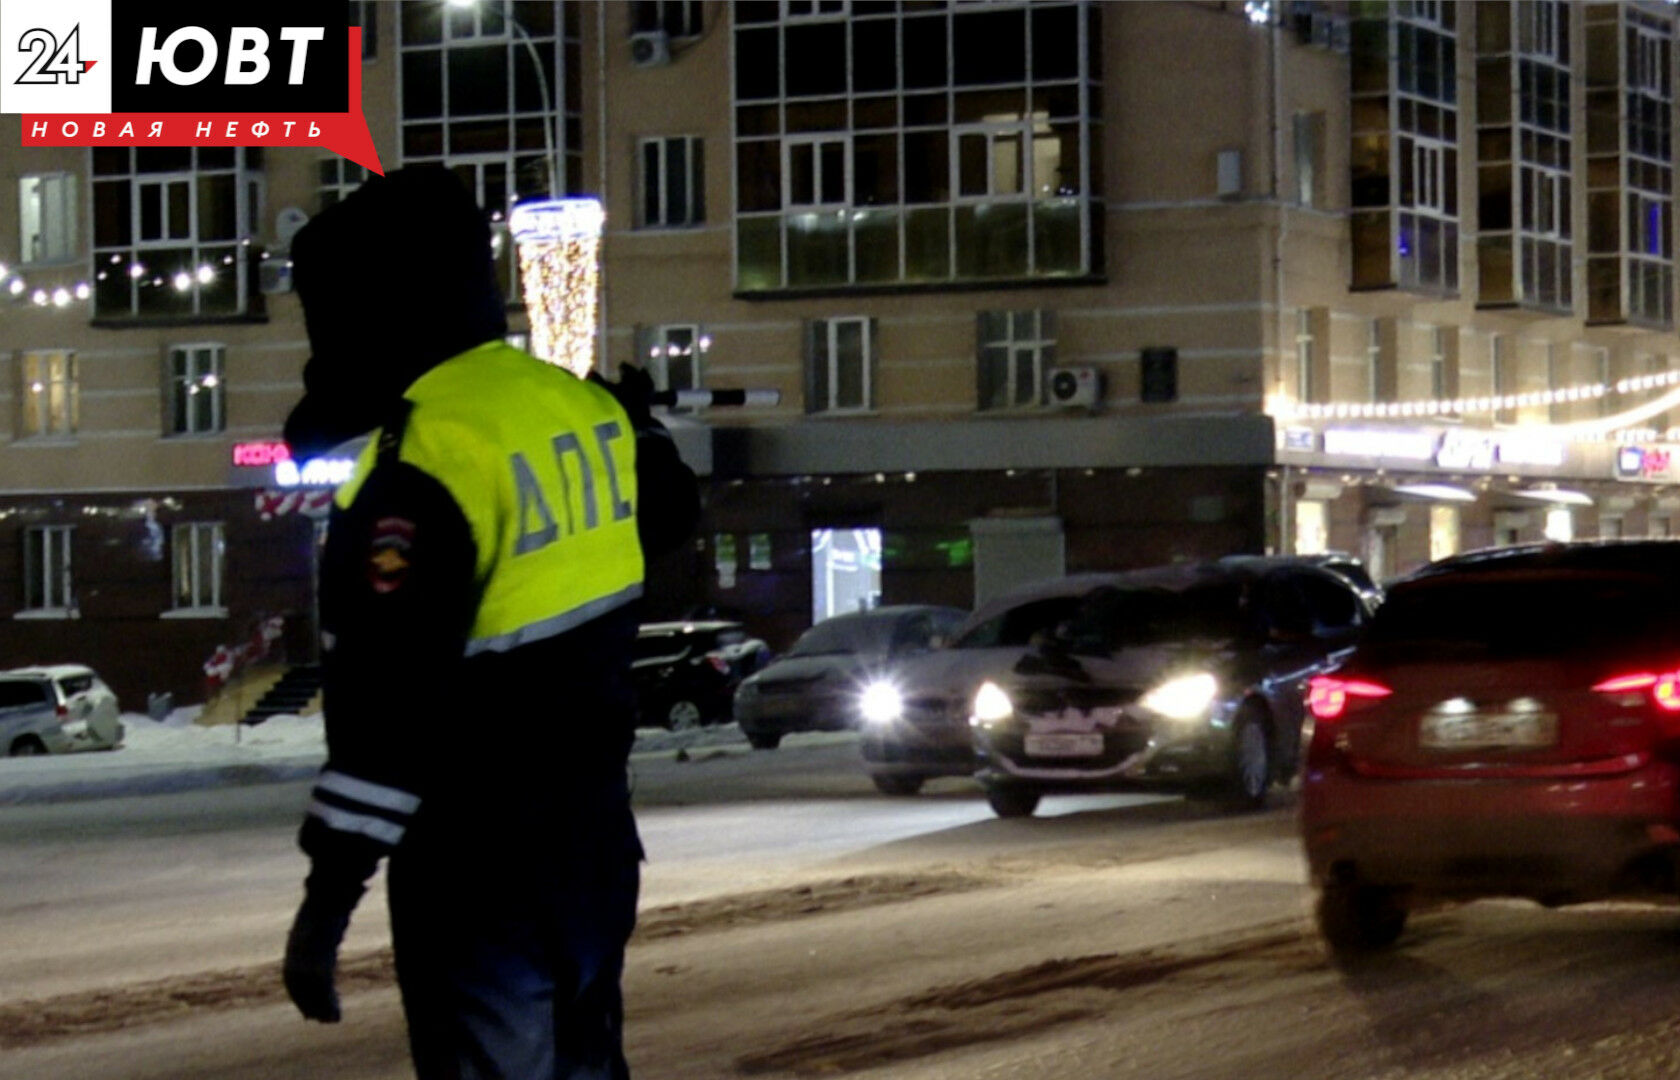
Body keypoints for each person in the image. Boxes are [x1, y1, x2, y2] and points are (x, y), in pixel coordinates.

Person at [280, 166, 699, 1079]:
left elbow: (386, 705)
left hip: (479, 868)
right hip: (592, 845)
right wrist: (644, 426)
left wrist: (328, 899)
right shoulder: (576, 408)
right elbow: (669, 513)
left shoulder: (420, 461)